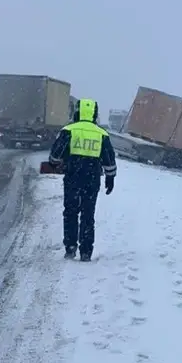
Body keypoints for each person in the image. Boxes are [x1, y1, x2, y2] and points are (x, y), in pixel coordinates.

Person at [48, 99, 117, 261]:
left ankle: (70, 248)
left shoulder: (68, 130)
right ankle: (86, 252)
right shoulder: (102, 134)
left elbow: (55, 156)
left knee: (70, 213)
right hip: (92, 180)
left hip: (72, 178)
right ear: (94, 114)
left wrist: (57, 164)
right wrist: (110, 178)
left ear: (77, 112)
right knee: (88, 215)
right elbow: (109, 159)